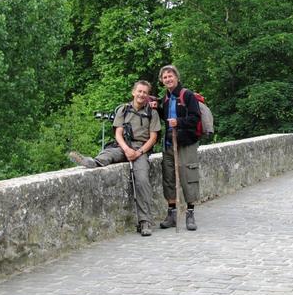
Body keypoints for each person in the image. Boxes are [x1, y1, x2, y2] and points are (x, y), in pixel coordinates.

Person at [68, 81, 160, 237]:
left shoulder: (152, 113)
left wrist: (137, 152)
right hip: (123, 145)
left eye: (145, 92)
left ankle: (145, 221)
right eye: (139, 91)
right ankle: (92, 162)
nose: (142, 95)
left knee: (142, 180)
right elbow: (118, 133)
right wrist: (126, 149)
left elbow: (153, 138)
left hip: (141, 150)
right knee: (108, 154)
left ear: (147, 95)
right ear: (133, 92)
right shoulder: (123, 110)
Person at [153, 65, 201, 231]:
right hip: (169, 144)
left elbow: (195, 118)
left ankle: (190, 214)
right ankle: (171, 215)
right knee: (169, 178)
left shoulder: (187, 95)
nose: (168, 79)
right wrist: (157, 108)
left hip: (186, 143)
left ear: (176, 77)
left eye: (170, 76)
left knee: (188, 176)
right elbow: (164, 117)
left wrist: (179, 122)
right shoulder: (164, 98)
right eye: (165, 77)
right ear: (162, 80)